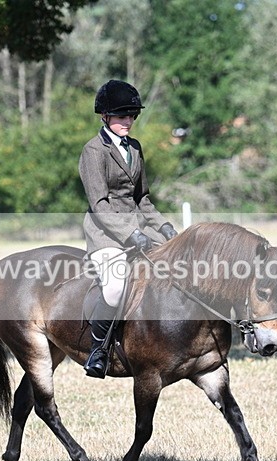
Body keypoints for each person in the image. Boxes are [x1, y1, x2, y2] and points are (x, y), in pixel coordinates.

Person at [79, 79, 178, 379]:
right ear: (105, 116)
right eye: (121, 116)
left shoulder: (135, 148)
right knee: (113, 288)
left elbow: (142, 199)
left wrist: (166, 227)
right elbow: (99, 204)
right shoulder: (93, 151)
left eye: (131, 116)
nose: (127, 122)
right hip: (105, 235)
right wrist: (129, 234)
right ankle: (98, 351)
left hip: (138, 230)